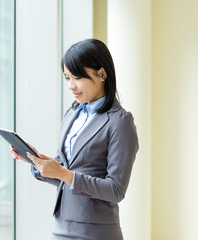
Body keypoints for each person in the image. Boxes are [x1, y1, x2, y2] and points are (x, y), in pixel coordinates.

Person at [10, 39, 139, 240]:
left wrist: (63, 173)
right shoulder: (73, 114)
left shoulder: (120, 122)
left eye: (77, 77)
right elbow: (65, 174)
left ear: (102, 74)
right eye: (67, 78)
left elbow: (115, 190)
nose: (71, 86)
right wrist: (34, 160)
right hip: (62, 225)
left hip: (96, 231)